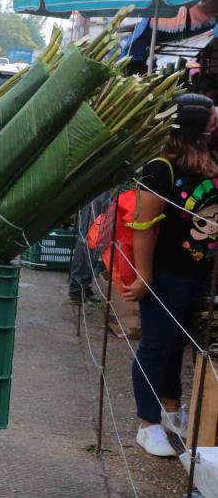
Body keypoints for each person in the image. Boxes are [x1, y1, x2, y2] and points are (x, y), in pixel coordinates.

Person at [124, 94, 218, 457]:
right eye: (211, 116)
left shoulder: (209, 165)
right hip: (166, 275)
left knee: (178, 343)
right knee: (156, 346)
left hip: (199, 273)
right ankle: (148, 425)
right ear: (197, 126)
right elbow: (143, 226)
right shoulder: (161, 168)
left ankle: (171, 409)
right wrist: (144, 274)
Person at [69, 192, 111, 302]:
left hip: (103, 185)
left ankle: (82, 284)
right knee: (90, 234)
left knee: (95, 232)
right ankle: (78, 286)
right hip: (98, 186)